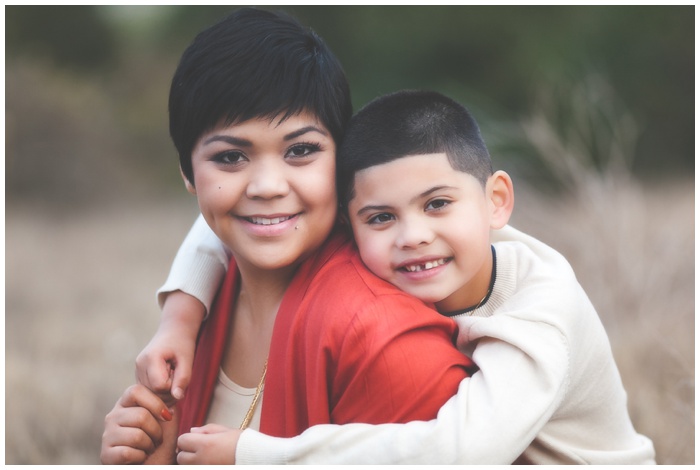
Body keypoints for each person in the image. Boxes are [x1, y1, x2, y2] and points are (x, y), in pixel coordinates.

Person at [143, 89, 657, 464]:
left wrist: (254, 455)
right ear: (347, 220)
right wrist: (179, 319)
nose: (413, 236)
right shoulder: (444, 246)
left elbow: (462, 451)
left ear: (496, 201)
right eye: (381, 217)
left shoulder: (542, 310)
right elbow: (225, 221)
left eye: (436, 204)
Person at [99, 10, 473, 465]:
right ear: (187, 173)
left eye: (301, 150)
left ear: (343, 160)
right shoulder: (207, 304)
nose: (268, 186)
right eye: (232, 157)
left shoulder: (387, 345)